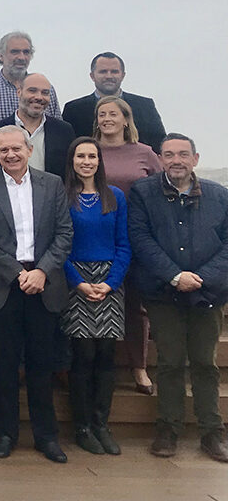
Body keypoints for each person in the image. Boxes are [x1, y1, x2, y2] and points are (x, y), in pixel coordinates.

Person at [0, 125, 72, 463]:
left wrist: (41, 271)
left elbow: (64, 234)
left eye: (16, 148)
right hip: (4, 285)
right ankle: (5, 434)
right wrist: (18, 274)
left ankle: (46, 437)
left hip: (44, 282)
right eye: (3, 150)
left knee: (42, 365)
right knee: (5, 366)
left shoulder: (52, 184)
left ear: (29, 149)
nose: (10, 155)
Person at [129, 133, 228, 463]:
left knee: (205, 363)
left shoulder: (219, 196)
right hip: (162, 293)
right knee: (170, 363)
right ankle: (167, 430)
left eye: (183, 154)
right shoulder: (144, 194)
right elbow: (141, 240)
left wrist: (202, 278)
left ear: (195, 159)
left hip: (208, 294)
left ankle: (212, 433)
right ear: (160, 159)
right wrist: (175, 275)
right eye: (169, 154)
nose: (176, 160)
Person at [60, 138, 130, 456]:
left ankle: (102, 424)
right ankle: (83, 427)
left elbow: (124, 244)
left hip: (109, 281)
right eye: (80, 156)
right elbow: (56, 244)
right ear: (72, 160)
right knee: (83, 356)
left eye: (92, 156)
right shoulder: (61, 197)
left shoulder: (114, 196)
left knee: (105, 357)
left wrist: (112, 282)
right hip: (76, 280)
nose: (86, 161)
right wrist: (78, 282)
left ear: (99, 161)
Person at [94, 95, 162, 395]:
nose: (107, 118)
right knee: (92, 302)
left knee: (135, 306)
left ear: (126, 118)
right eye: (102, 113)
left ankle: (139, 367)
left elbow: (163, 192)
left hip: (136, 235)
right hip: (96, 236)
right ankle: (89, 366)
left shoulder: (145, 153)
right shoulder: (89, 151)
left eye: (113, 113)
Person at [0, 32, 61, 142]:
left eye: (26, 52)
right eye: (15, 52)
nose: (21, 57)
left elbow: (57, 130)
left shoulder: (46, 90)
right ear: (1, 56)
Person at [63, 52, 167, 152]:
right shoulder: (74, 110)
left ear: (123, 75)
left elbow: (160, 143)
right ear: (92, 76)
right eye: (103, 71)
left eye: (114, 71)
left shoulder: (145, 106)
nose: (109, 76)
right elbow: (67, 146)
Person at [0, 73, 75, 177]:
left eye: (45, 93)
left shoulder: (64, 131)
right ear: (19, 92)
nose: (39, 97)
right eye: (32, 91)